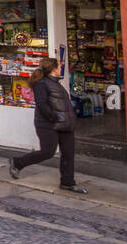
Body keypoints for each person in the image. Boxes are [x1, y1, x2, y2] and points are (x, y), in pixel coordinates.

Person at [9, 57, 86, 193]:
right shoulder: (42, 84)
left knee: (68, 153)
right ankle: (18, 162)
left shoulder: (56, 83)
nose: (60, 68)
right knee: (48, 152)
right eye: (59, 66)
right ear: (53, 69)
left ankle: (68, 182)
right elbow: (42, 104)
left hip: (65, 124)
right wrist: (54, 117)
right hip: (48, 124)